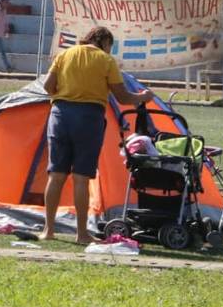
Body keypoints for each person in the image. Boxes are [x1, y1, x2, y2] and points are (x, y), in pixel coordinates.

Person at [40, 26, 154, 244]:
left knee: (56, 175)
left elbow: (48, 86)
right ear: (103, 41)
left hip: (60, 115)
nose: (110, 51)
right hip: (89, 117)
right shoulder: (105, 60)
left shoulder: (64, 54)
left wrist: (65, 98)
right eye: (110, 46)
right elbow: (122, 97)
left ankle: (48, 230)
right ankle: (82, 234)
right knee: (81, 177)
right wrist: (143, 97)